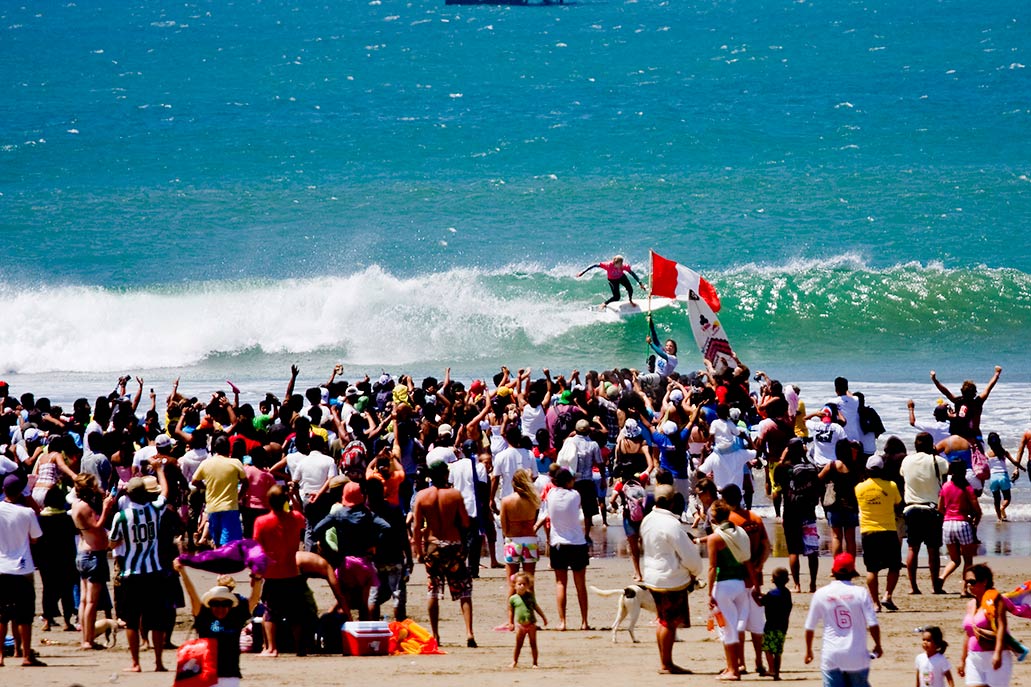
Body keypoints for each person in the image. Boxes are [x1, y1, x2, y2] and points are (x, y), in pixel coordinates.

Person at [109, 473, 172, 672]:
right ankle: (159, 662)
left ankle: (136, 663)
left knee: (131, 621)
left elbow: (112, 541)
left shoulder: (121, 517)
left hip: (131, 573)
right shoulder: (154, 511)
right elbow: (165, 493)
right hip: (154, 571)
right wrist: (160, 471)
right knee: (157, 620)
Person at [412, 459, 477, 647]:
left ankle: (435, 634)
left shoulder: (422, 496)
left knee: (433, 590)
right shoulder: (454, 495)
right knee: (464, 589)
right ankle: (469, 632)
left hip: (433, 546)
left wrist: (418, 551)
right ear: (446, 474)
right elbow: (465, 522)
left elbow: (417, 527)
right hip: (453, 545)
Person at [639, 483, 702, 675]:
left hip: (652, 575)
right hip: (670, 578)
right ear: (671, 501)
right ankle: (666, 663)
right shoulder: (672, 524)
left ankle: (665, 660)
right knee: (669, 622)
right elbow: (689, 555)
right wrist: (695, 571)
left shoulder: (648, 519)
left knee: (662, 619)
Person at [175, 560, 263, 687]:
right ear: (209, 605)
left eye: (225, 604)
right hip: (206, 674)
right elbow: (191, 593)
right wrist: (182, 572)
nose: (220, 608)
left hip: (231, 675)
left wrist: (258, 578)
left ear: (230, 605)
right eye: (215, 604)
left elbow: (254, 598)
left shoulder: (236, 616)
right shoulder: (204, 615)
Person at [804, 552, 882, 687]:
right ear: (853, 572)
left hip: (832, 654)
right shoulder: (860, 592)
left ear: (833, 571)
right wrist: (878, 644)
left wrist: (809, 650)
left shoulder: (821, 593)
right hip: (856, 655)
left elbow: (810, 627)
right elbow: (873, 623)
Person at [708, 498, 760, 681]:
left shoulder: (715, 538)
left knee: (727, 629)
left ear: (714, 517)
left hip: (723, 585)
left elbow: (712, 567)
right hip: (739, 584)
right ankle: (734, 665)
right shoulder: (740, 533)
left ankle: (734, 669)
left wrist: (709, 593)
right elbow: (748, 562)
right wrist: (756, 586)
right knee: (735, 627)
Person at [252, 485, 307, 657]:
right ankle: (300, 648)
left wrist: (255, 574)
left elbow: (257, 551)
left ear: (268, 501)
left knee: (270, 612)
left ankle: (271, 648)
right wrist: (293, 496)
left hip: (272, 573)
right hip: (291, 571)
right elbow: (302, 517)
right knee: (296, 612)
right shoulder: (295, 518)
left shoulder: (262, 522)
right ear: (285, 501)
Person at [537, 467, 590, 631]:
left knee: (560, 583)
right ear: (568, 481)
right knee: (580, 584)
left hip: (557, 543)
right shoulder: (575, 495)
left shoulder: (551, 495)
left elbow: (545, 513)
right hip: (577, 543)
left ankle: (563, 622)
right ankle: (584, 622)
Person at [0, 474, 45, 667]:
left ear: (3, 490)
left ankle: (0, 656)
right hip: (22, 567)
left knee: (1, 615)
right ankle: (25, 654)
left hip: (2, 566)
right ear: (21, 492)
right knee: (25, 615)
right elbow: (36, 537)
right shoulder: (27, 513)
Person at [71, 472, 117, 651]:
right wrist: (105, 508)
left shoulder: (76, 504)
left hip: (83, 552)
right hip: (93, 554)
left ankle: (86, 637)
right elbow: (97, 527)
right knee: (91, 601)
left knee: (84, 600)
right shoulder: (85, 507)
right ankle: (87, 640)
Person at [900, 433, 950, 595]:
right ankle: (936, 586)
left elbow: (903, 475)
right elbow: (948, 471)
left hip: (911, 508)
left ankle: (913, 587)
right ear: (931, 445)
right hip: (931, 509)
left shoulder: (906, 461)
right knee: (933, 549)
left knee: (912, 548)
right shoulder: (938, 461)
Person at [854, 455, 902, 612]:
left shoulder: (859, 487)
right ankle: (887, 595)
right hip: (888, 529)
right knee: (894, 566)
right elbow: (897, 502)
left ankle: (875, 603)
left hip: (868, 531)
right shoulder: (891, 485)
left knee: (872, 569)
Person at [778, 439, 822, 593]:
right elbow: (818, 487)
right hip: (809, 512)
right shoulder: (811, 467)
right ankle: (813, 584)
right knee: (812, 551)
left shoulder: (784, 468)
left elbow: (778, 482)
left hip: (791, 513)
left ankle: (797, 585)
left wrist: (782, 458)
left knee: (793, 551)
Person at [500, 469, 541, 630]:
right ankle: (530, 618)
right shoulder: (533, 500)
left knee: (512, 583)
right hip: (530, 541)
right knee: (529, 583)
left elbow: (504, 527)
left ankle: (510, 621)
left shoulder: (506, 501)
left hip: (513, 542)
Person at [960, 564, 1012, 687]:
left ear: (984, 581)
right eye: (966, 582)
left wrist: (998, 653)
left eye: (972, 582)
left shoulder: (995, 600)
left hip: (993, 654)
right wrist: (962, 660)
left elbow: (1001, 627)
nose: (968, 585)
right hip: (974, 657)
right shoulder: (970, 604)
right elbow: (969, 633)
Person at [192, 436, 247, 547]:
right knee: (228, 543)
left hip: (212, 508)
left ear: (215, 448)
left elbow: (194, 481)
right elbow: (246, 483)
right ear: (229, 448)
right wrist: (239, 497)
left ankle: (217, 562)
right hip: (230, 507)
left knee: (217, 542)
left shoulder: (206, 463)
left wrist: (206, 486)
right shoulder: (235, 463)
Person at [939, 460, 981, 591]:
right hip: (962, 522)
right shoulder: (967, 487)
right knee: (968, 560)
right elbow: (977, 510)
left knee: (955, 559)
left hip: (947, 524)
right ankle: (964, 589)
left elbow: (940, 508)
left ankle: (941, 577)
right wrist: (975, 522)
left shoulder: (945, 486)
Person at [930, 367, 1002, 441]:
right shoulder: (977, 402)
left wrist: (934, 380)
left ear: (962, 391)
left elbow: (946, 392)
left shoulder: (957, 401)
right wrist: (997, 373)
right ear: (975, 393)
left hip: (960, 438)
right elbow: (989, 387)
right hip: (976, 437)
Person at [819, 439, 862, 558]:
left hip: (834, 505)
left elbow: (818, 479)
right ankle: (851, 566)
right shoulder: (854, 466)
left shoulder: (832, 465)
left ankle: (837, 567)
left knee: (836, 537)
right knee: (850, 539)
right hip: (851, 504)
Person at [761, 568, 793, 682]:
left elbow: (761, 602)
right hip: (783, 626)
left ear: (772, 580)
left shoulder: (771, 594)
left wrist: (755, 594)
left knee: (767, 648)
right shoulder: (787, 593)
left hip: (770, 626)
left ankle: (771, 669)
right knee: (778, 652)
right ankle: (777, 672)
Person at [509, 571, 547, 668]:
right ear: (514, 585)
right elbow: (511, 611)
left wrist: (543, 617)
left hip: (531, 624)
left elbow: (536, 607)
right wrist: (510, 623)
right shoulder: (513, 598)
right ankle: (514, 661)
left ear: (528, 585)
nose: (522, 586)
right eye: (519, 584)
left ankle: (535, 663)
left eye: (524, 584)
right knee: (518, 644)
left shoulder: (530, 596)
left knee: (533, 644)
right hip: (520, 625)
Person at [577, 254, 645, 307]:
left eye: (622, 263)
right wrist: (582, 272)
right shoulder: (608, 265)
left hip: (621, 277)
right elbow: (594, 265)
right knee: (617, 297)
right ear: (615, 263)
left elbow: (632, 273)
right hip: (612, 280)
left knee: (630, 289)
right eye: (620, 264)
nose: (621, 265)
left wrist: (640, 283)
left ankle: (630, 300)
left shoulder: (624, 266)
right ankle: (604, 303)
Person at [985, 432, 1021, 522]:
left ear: (989, 442)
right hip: (1003, 476)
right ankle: (1002, 508)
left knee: (996, 500)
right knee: (1007, 498)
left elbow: (983, 465)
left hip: (993, 478)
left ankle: (999, 518)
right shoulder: (1003, 452)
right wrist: (1022, 468)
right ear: (999, 441)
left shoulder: (987, 454)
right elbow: (1015, 462)